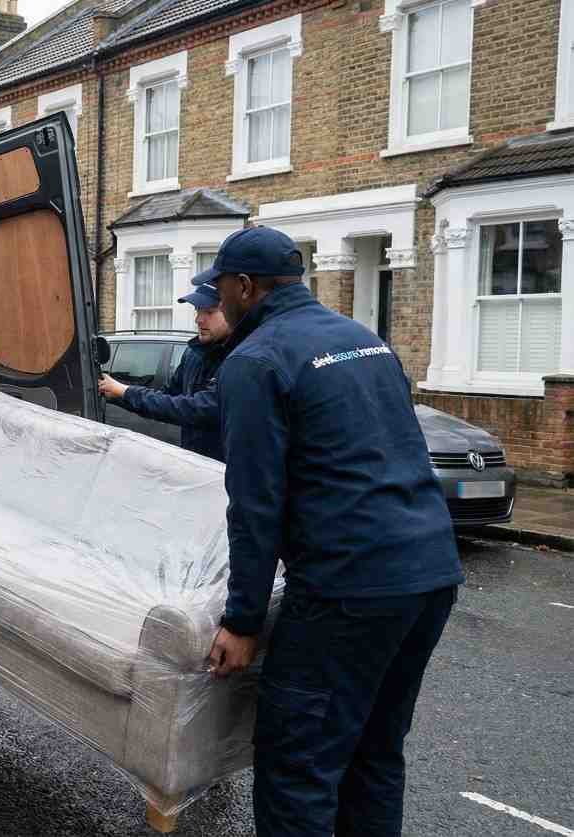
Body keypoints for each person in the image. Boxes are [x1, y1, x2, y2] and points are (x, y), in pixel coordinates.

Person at [197, 227, 463, 837]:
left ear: (245, 287)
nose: (219, 301)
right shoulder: (364, 340)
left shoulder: (256, 360)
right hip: (430, 573)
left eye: (221, 289)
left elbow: (256, 504)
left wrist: (241, 621)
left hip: (348, 589)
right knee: (374, 752)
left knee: (299, 766)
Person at [96, 280, 232, 461]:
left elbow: (195, 409)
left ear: (231, 310)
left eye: (209, 311)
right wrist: (119, 394)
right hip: (193, 461)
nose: (198, 319)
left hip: (222, 471)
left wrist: (125, 391)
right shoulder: (193, 353)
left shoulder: (238, 359)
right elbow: (166, 397)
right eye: (198, 310)